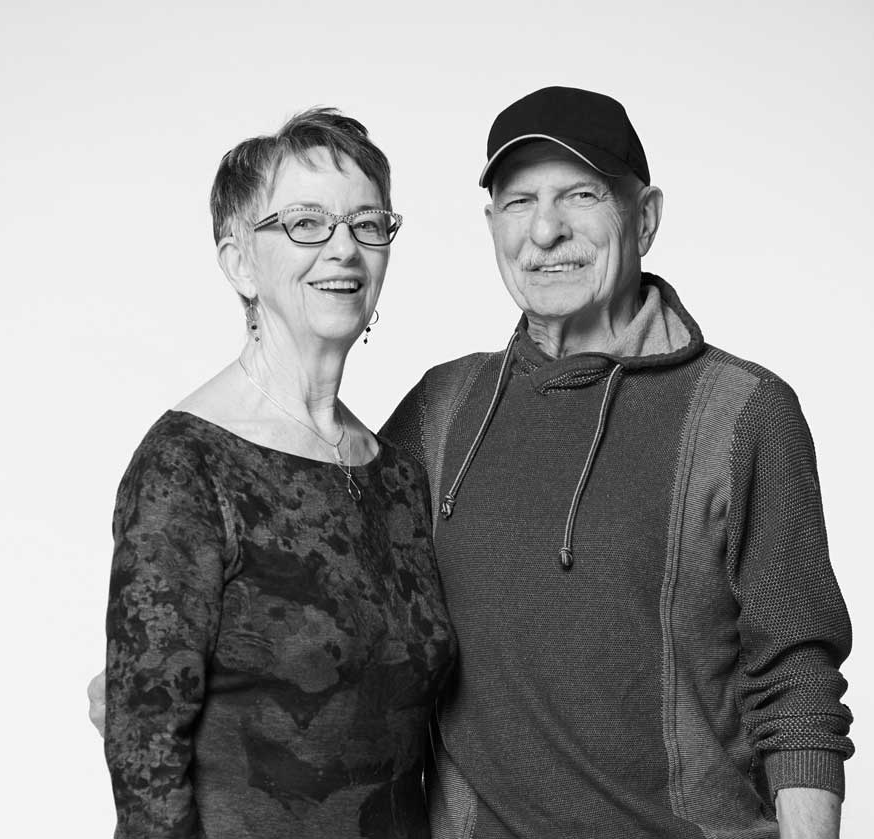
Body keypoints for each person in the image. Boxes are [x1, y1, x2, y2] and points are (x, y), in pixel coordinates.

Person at [378, 87, 853, 838]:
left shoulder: (744, 412)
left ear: (646, 216)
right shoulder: (442, 409)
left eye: (580, 194)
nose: (545, 229)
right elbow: (323, 578)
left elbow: (797, 682)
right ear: (492, 225)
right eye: (518, 200)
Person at [99, 107, 456, 839]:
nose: (344, 250)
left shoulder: (396, 475)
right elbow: (144, 752)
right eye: (305, 224)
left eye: (367, 223)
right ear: (239, 262)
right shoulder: (188, 466)